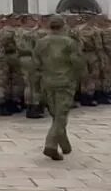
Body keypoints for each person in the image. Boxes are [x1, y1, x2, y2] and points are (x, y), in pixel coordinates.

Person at [33, 15, 84, 162]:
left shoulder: (41, 42)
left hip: (47, 81)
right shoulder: (69, 43)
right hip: (65, 82)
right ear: (63, 26)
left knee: (56, 114)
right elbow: (77, 63)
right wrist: (78, 77)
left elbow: (35, 64)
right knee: (61, 115)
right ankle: (51, 145)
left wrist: (37, 82)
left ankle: (65, 145)